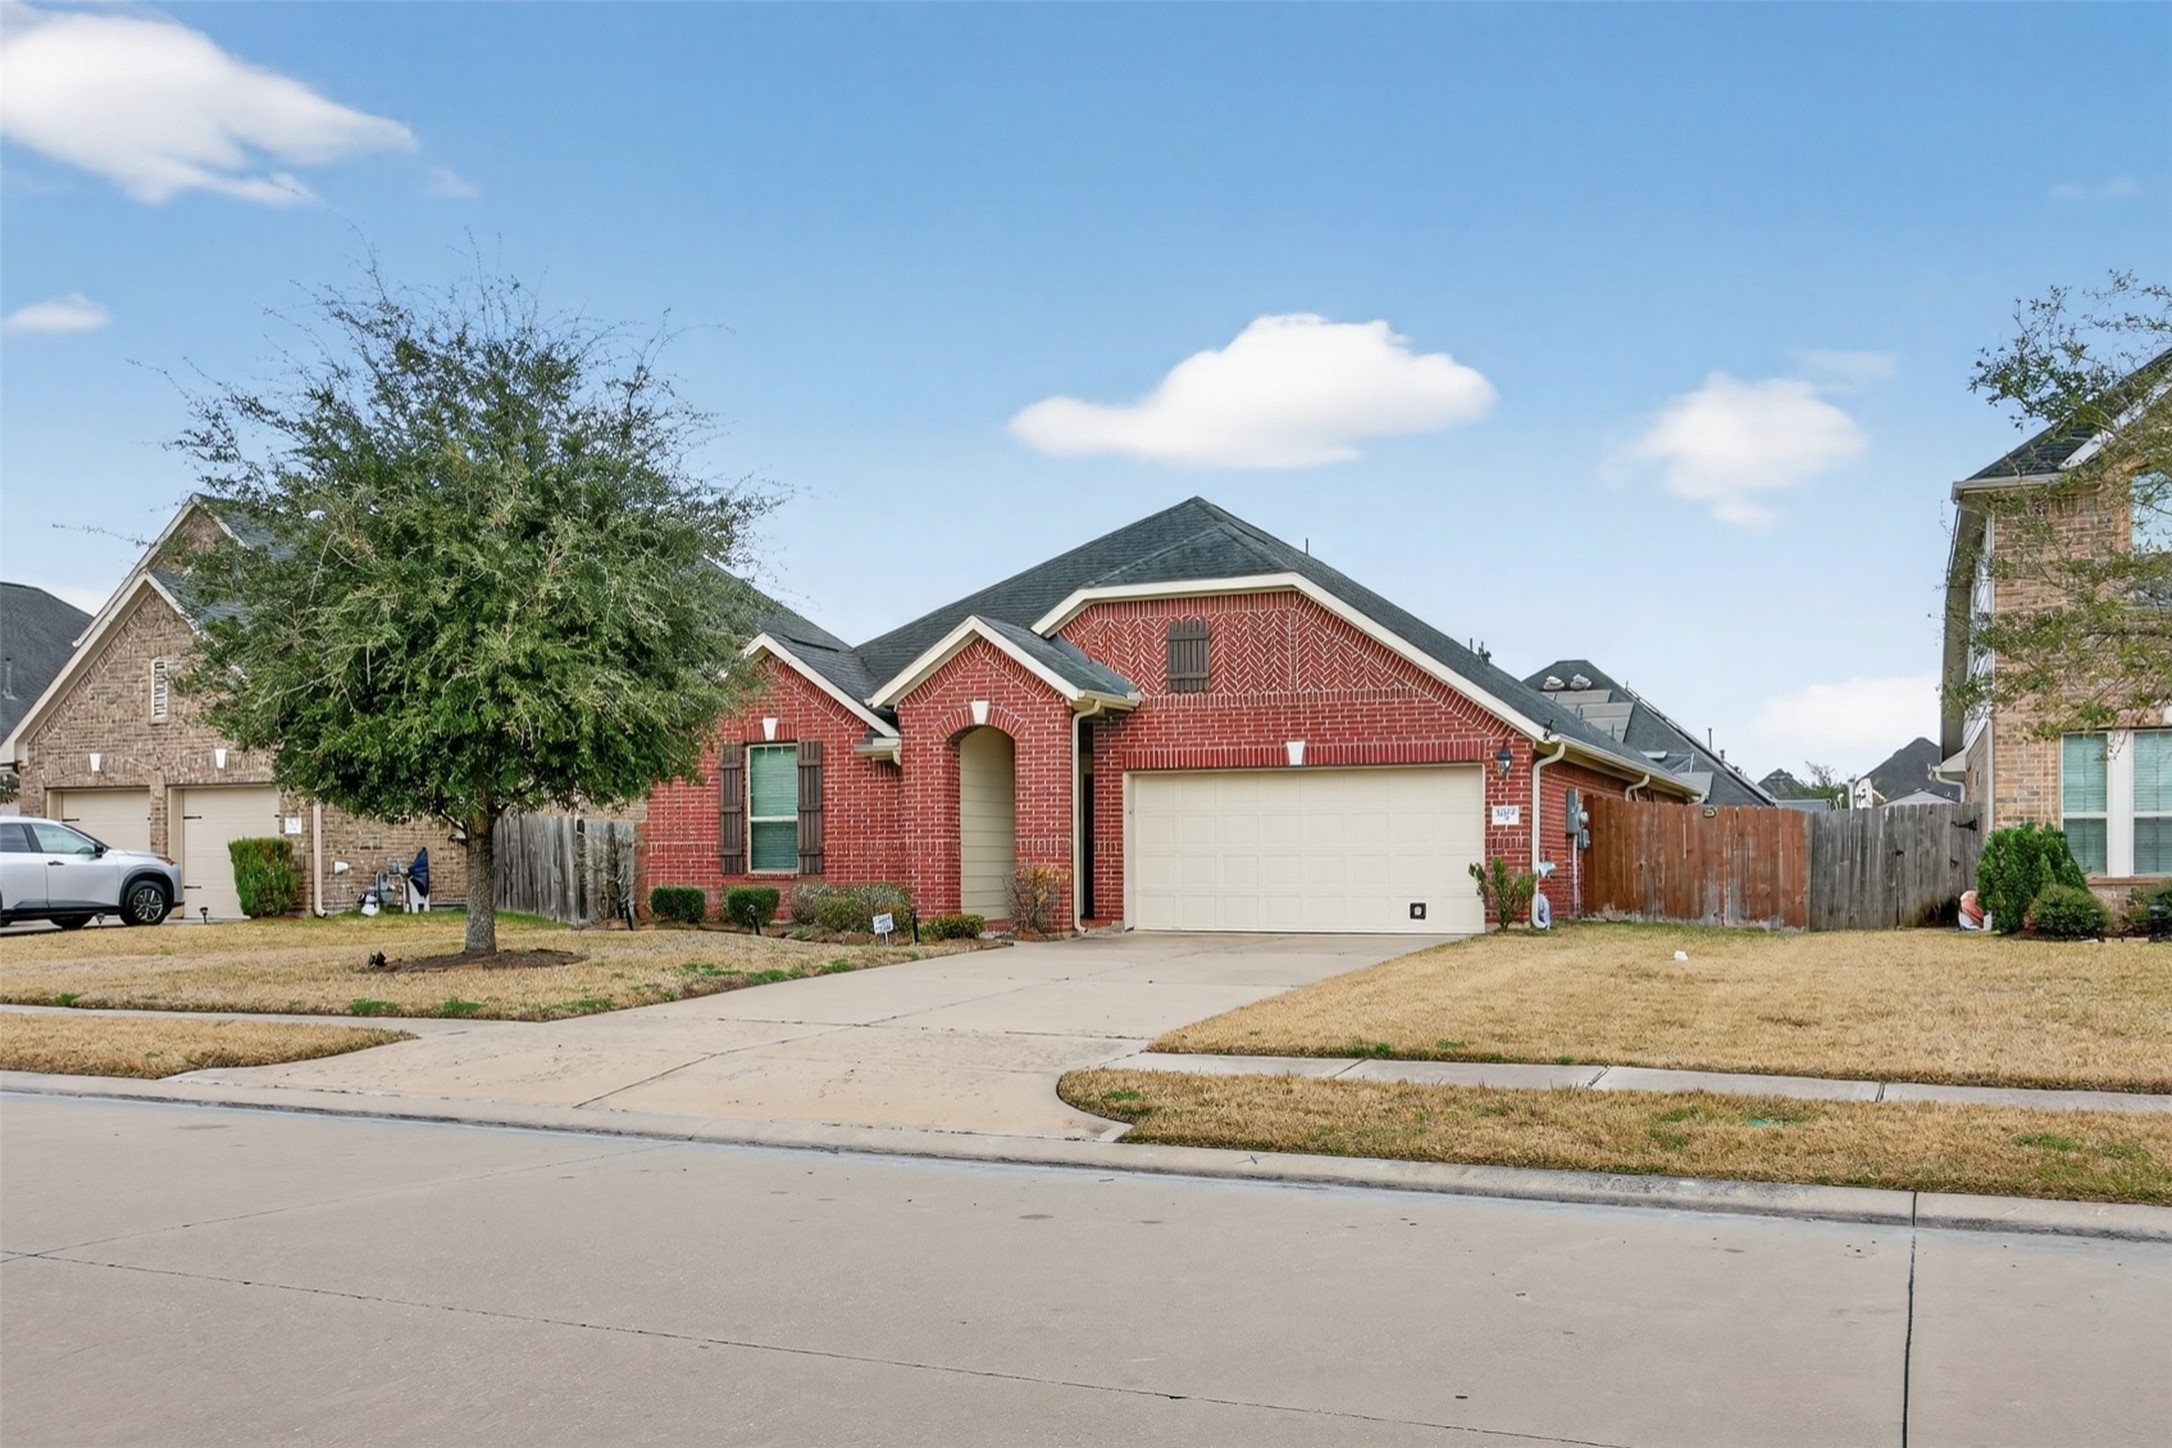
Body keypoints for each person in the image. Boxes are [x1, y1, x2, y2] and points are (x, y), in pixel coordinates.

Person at [406, 847, 431, 914]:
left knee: (415, 898)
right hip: (421, 878)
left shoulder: (421, 859)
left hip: (417, 877)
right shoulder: (423, 859)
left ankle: (415, 910)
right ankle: (423, 908)